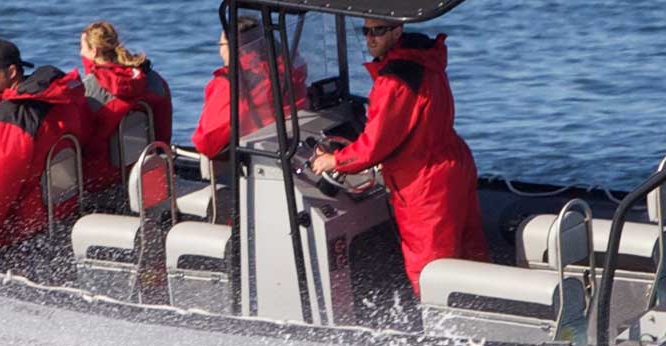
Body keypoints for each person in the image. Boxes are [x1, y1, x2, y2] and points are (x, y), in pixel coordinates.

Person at [310, 20, 487, 295]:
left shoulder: (394, 80)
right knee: (469, 252)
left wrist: (335, 161)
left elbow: (374, 146)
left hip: (424, 181)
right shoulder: (426, 59)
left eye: (378, 31)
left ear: (397, 31)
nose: (370, 38)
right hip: (454, 164)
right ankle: (483, 311)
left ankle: (443, 331)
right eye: (366, 31)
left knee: (430, 267)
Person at [0, 39, 88, 264]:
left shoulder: (11, 120)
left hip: (24, 221)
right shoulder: (58, 101)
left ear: (12, 72)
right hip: (59, 209)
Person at [76, 20, 173, 191]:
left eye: (82, 48)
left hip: (103, 180)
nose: (80, 52)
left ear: (94, 51)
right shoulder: (153, 80)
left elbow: (83, 145)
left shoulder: (88, 91)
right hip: (145, 170)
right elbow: (163, 132)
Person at [190, 16, 305, 159]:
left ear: (232, 47)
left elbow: (207, 142)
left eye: (221, 45)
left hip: (260, 158)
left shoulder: (230, 83)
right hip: (294, 141)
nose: (220, 52)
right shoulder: (289, 68)